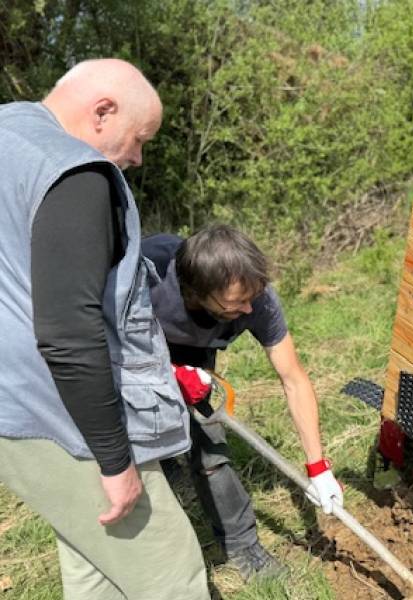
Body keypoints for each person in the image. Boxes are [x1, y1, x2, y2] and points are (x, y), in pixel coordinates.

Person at [0, 59, 208, 599]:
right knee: (171, 571)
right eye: (138, 139)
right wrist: (115, 461)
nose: (137, 159)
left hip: (11, 399)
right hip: (48, 405)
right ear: (102, 112)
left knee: (94, 560)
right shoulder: (74, 173)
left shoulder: (8, 134)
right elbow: (68, 333)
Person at [142, 225, 344, 580]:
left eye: (252, 296)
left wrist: (318, 467)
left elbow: (293, 378)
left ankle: (241, 545)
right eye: (237, 303)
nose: (250, 307)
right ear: (197, 291)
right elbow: (98, 338)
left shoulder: (257, 299)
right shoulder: (147, 275)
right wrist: (168, 371)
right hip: (136, 344)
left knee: (209, 446)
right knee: (142, 433)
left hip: (193, 350)